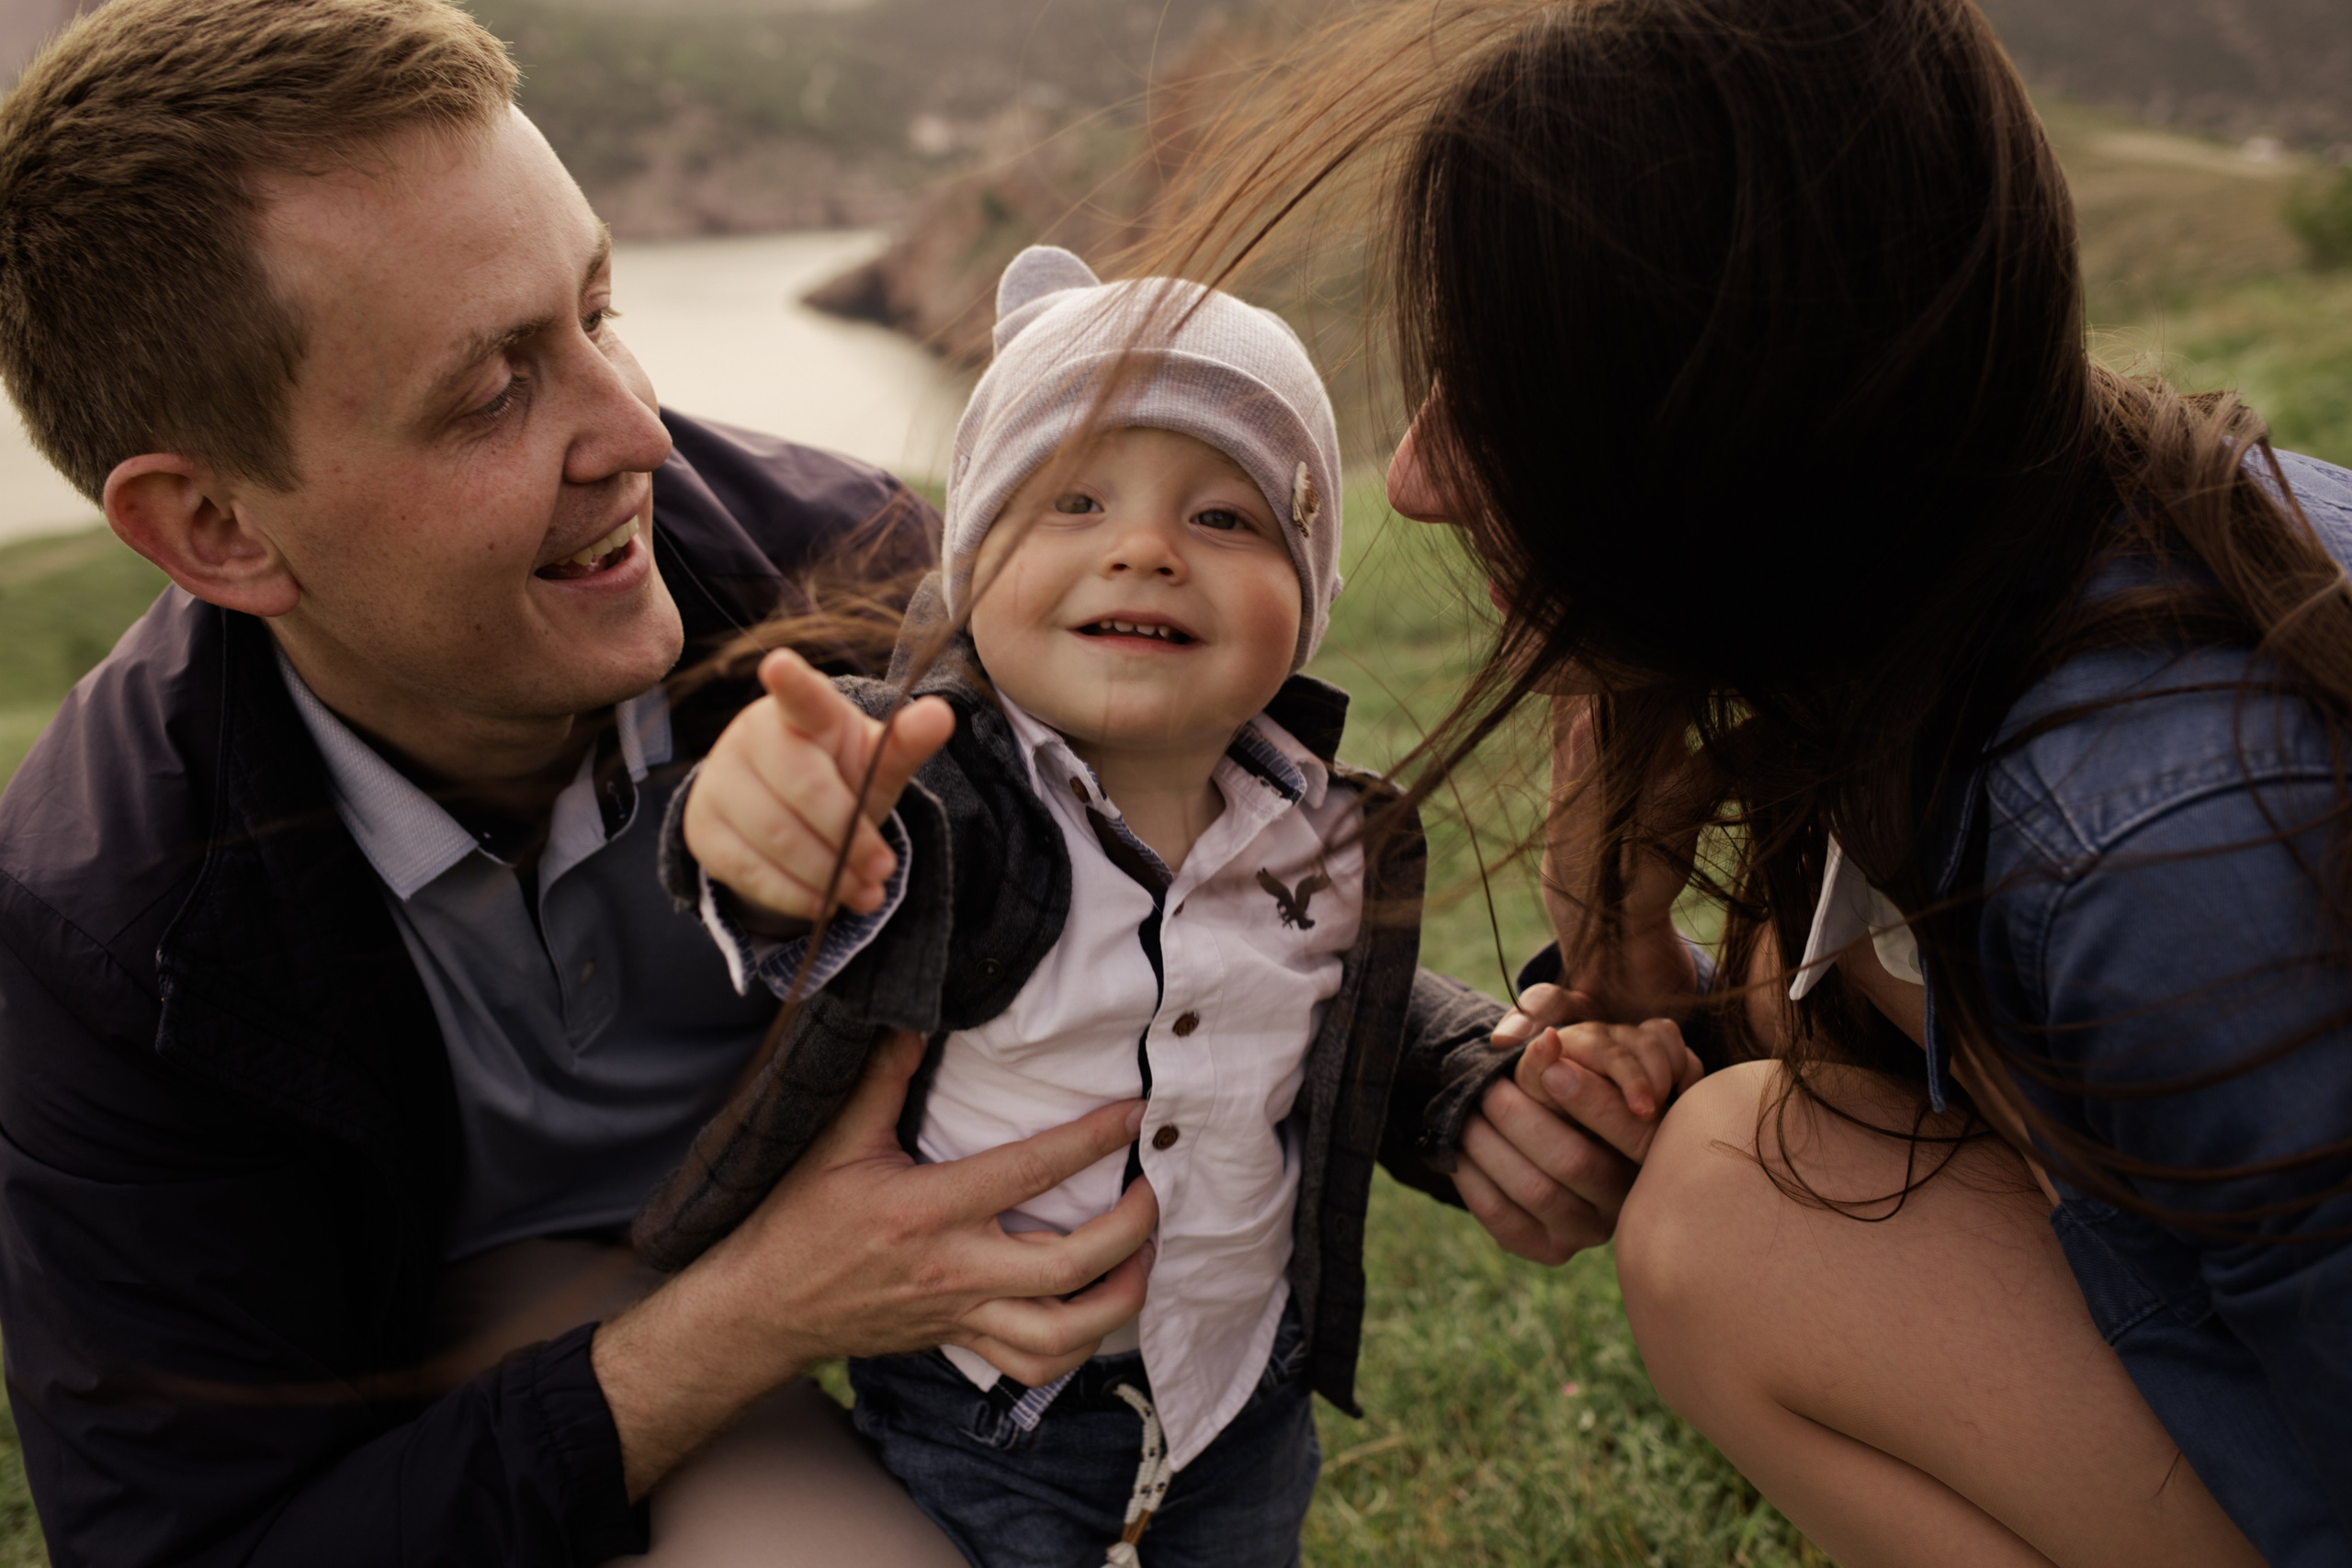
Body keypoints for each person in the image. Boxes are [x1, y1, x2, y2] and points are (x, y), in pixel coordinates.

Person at [1138, 0, 2352, 1563]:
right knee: (1758, 1113)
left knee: (1733, 1222)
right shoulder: (2031, 552)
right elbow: (1924, 1069)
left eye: (1498, 401)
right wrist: (1631, 961)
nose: (1425, 479)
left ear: (1719, 435)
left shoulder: (2165, 853)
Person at [0, 4, 1170, 1563]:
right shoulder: (103, 931)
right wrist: (752, 1319)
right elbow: (198, 1544)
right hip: (445, 1377)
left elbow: (1183, 893)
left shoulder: (845, 581)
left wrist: (1468, 1089)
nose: (637, 431)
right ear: (217, 529)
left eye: (598, 307)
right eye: (490, 393)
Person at [629, 243, 1702, 1567]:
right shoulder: (940, 789)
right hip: (992, 1413)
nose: (1143, 549)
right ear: (970, 564)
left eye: (1225, 518)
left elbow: (1326, 1005)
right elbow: (829, 863)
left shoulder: (1324, 829)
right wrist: (762, 828)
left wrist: (1466, 1083)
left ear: (1306, 599)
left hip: (1243, 1387)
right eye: (1072, 501)